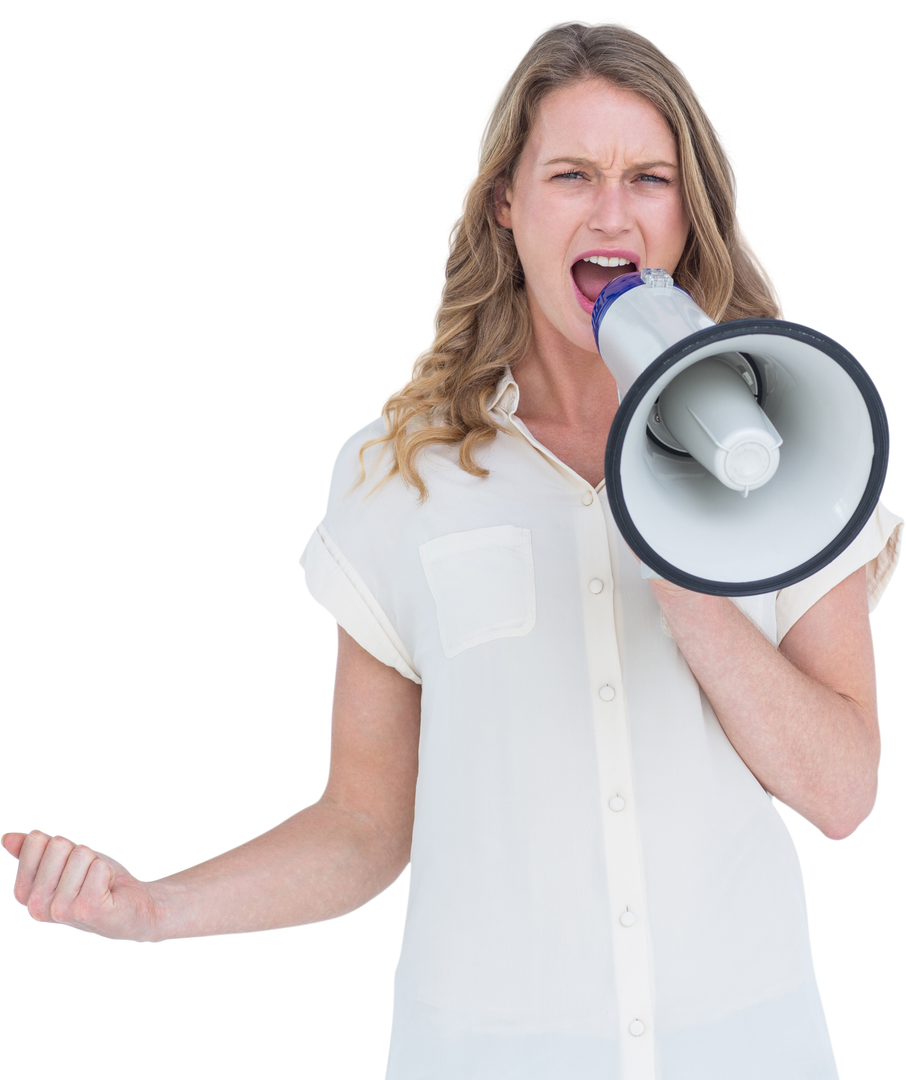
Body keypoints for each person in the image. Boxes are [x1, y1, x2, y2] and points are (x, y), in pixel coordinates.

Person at [4, 10, 902, 1078]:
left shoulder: (790, 452)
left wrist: (692, 577)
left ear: (689, 213)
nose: (612, 211)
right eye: (572, 174)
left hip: (748, 1052)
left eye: (650, 179)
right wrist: (156, 908)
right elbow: (366, 826)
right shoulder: (396, 475)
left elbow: (843, 796)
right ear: (508, 205)